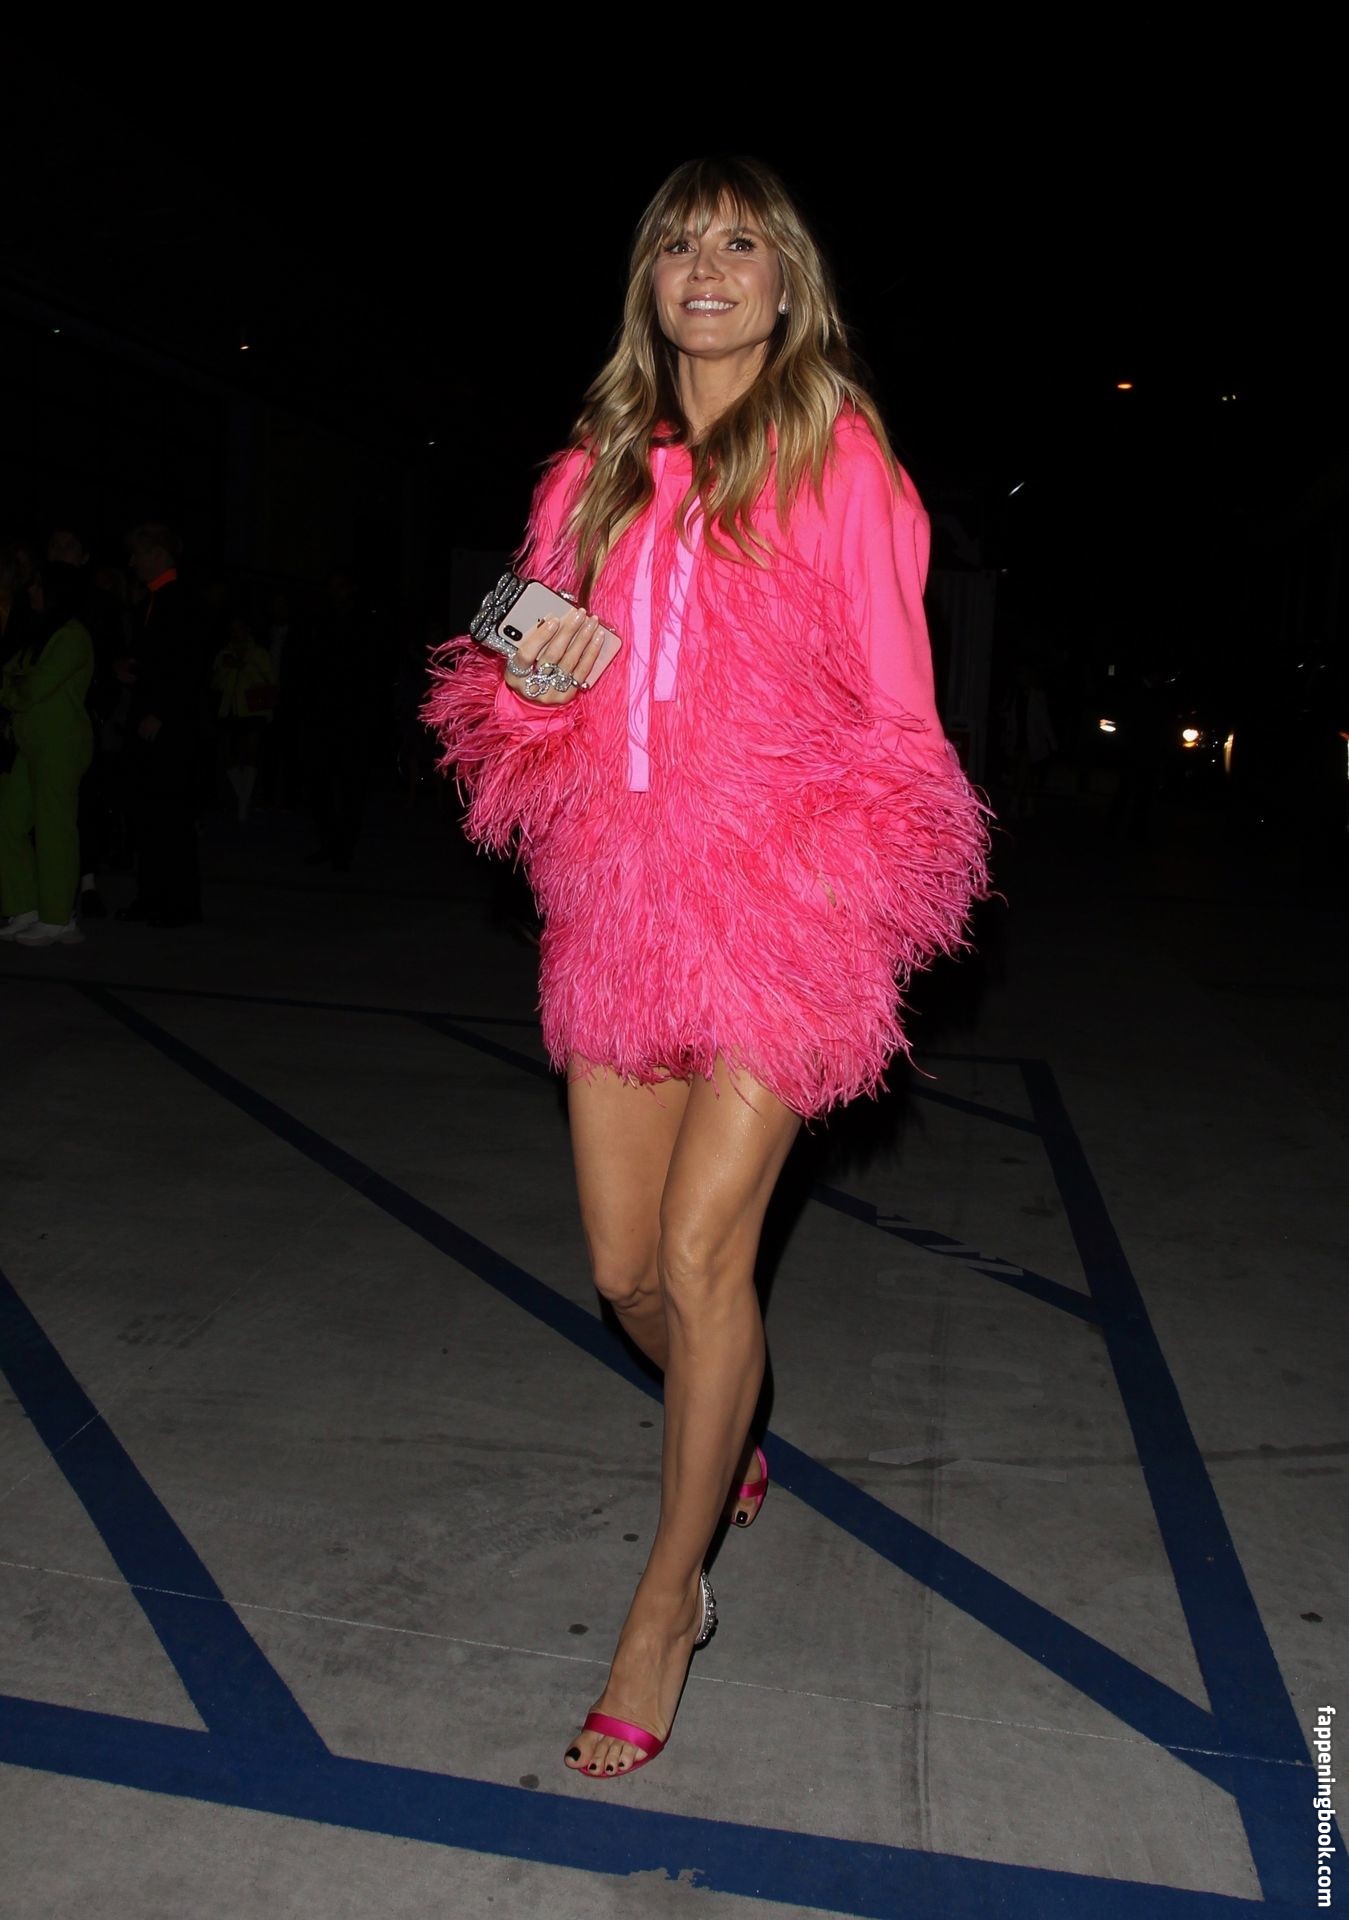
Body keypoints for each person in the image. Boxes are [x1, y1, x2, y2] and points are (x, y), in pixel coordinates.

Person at [424, 156, 994, 1781]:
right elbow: (512, 691)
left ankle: (664, 1605)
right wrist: (530, 686)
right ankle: (720, 1416)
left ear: (785, 282)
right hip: (619, 907)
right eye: (679, 243)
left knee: (698, 1252)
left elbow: (903, 718)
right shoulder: (589, 478)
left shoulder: (838, 460)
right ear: (648, 285)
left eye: (741, 243)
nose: (707, 266)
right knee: (625, 1277)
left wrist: (844, 885)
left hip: (786, 909)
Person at [117, 522, 209, 926]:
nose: (132, 562)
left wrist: (163, 712)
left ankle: (179, 904)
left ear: (158, 555)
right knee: (149, 812)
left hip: (171, 726)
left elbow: (190, 666)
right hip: (150, 720)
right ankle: (152, 897)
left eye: (137, 554)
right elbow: (158, 660)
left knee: (171, 814)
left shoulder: (182, 601)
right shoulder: (151, 602)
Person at [0, 559, 95, 946]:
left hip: (60, 743)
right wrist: (14, 687)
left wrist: (10, 690)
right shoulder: (41, 634)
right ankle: (25, 907)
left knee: (54, 826)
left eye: (40, 586)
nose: (32, 592)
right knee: (7, 819)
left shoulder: (71, 637)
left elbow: (33, 687)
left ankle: (58, 917)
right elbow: (14, 675)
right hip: (31, 743)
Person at [211, 614, 277, 823]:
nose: (236, 633)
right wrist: (228, 669)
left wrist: (246, 666)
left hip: (253, 711)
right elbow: (216, 683)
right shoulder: (224, 654)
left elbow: (270, 681)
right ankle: (243, 799)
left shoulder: (259, 653)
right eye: (232, 629)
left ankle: (243, 805)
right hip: (230, 710)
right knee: (229, 756)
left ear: (247, 629)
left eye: (239, 628)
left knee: (250, 756)